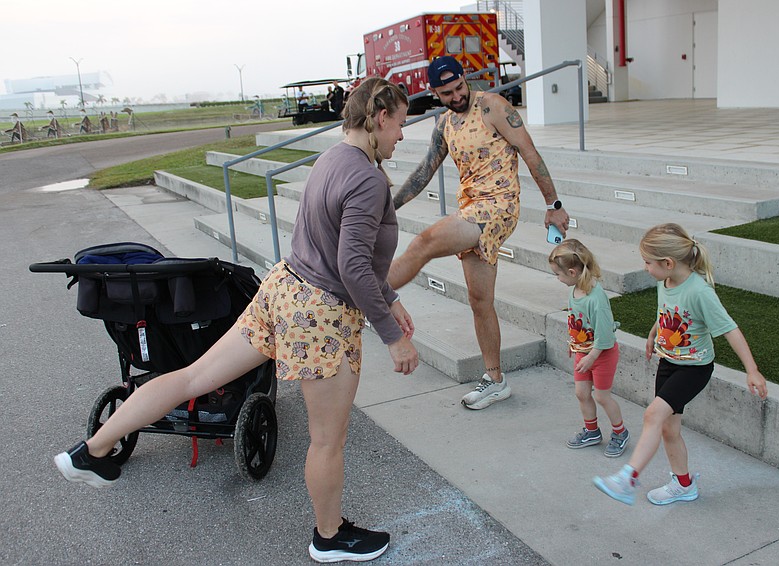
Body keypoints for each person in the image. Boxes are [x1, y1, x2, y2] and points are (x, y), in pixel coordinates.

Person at [53, 77, 418, 563]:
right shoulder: (368, 179)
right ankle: (329, 538)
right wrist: (393, 337)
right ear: (378, 117)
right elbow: (351, 265)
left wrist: (388, 297)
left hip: (284, 287)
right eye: (400, 124)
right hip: (320, 316)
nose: (402, 135)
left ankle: (91, 451)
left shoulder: (333, 158)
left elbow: (344, 252)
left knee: (193, 377)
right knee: (328, 439)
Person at [389, 55, 571, 410]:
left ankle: (367, 296)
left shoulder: (493, 107)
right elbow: (424, 171)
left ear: (464, 79)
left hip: (498, 206)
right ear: (435, 93)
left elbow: (529, 152)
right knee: (479, 301)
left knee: (424, 242)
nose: (457, 96)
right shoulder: (444, 125)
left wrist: (554, 204)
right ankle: (495, 380)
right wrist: (388, 208)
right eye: (447, 93)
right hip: (470, 209)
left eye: (459, 87)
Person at [593, 223, 768, 506]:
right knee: (668, 429)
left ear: (668, 262)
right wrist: (653, 335)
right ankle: (684, 484)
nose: (645, 268)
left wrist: (752, 370)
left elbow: (729, 329)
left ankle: (627, 479)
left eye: (648, 263)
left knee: (653, 415)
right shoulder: (667, 281)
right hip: (669, 362)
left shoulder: (700, 292)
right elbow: (668, 312)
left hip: (694, 368)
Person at [549, 239, 629, 457]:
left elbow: (604, 336)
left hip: (600, 355)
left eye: (559, 274)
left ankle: (620, 432)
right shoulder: (575, 290)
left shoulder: (596, 299)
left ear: (573, 272)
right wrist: (573, 343)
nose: (557, 278)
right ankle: (592, 431)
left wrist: (591, 356)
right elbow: (577, 321)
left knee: (602, 396)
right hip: (583, 353)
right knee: (581, 393)